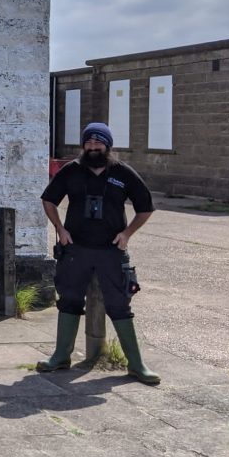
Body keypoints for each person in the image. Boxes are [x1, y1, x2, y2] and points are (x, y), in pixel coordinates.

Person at [38, 122, 160, 384]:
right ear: (83, 145)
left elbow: (146, 207)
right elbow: (48, 200)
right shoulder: (71, 171)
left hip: (111, 251)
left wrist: (127, 234)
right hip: (75, 250)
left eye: (98, 143)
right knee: (68, 299)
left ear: (108, 145)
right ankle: (61, 357)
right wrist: (60, 228)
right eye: (89, 143)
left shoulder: (123, 173)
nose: (93, 147)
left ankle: (137, 365)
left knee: (119, 304)